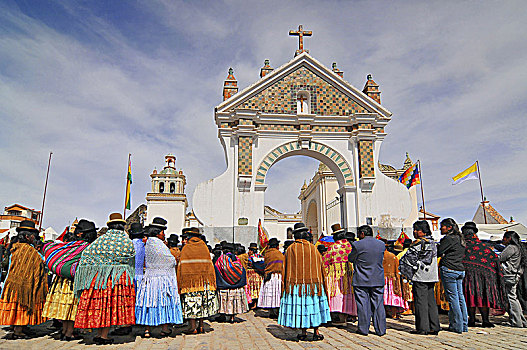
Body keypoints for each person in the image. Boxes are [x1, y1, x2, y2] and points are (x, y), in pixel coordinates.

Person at [73, 213, 136, 345]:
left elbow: (86, 255)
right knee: (110, 306)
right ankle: (104, 335)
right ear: (123, 227)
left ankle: (99, 334)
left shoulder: (100, 241)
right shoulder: (126, 242)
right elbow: (131, 258)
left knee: (101, 306)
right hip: (118, 279)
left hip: (99, 279)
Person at [42, 219, 97, 340]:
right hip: (74, 282)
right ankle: (69, 333)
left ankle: (64, 330)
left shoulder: (71, 245)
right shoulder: (86, 247)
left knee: (65, 308)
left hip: (61, 281)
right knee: (72, 308)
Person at [278, 223, 330, 341]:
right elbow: (320, 266)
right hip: (313, 285)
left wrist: (285, 285)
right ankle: (316, 331)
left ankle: (303, 332)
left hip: (296, 286)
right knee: (314, 307)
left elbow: (285, 268)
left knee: (301, 307)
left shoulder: (290, 249)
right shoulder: (313, 248)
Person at [135, 217, 183, 337]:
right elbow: (169, 260)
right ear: (157, 233)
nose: (164, 234)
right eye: (162, 232)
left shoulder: (149, 243)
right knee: (163, 302)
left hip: (149, 278)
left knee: (149, 302)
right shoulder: (158, 244)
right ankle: (164, 329)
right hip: (161, 279)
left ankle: (147, 330)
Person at [0, 220, 48, 339]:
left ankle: (16, 327)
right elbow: (41, 262)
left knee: (15, 307)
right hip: (23, 285)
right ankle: (18, 331)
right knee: (21, 306)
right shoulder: (30, 251)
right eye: (33, 236)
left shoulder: (15, 248)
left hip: (11, 283)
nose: (34, 238)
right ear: (27, 236)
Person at [461, 222, 503, 327]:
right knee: (483, 296)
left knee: (470, 296)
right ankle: (485, 320)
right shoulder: (484, 246)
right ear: (475, 234)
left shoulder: (462, 246)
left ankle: (472, 320)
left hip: (467, 276)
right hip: (484, 277)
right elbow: (494, 260)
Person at [177, 227, 218, 334]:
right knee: (202, 304)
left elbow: (182, 267)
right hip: (204, 283)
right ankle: (201, 325)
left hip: (190, 284)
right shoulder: (204, 247)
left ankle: (193, 327)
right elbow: (209, 265)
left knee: (192, 304)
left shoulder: (186, 248)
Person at [348, 225, 386, 336]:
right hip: (377, 278)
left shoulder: (357, 245)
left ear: (362, 234)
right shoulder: (381, 244)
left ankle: (363, 329)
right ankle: (380, 329)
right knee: (378, 304)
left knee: (363, 305)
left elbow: (350, 258)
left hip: (361, 279)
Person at [438, 218, 468, 333]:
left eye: (443, 226)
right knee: (460, 298)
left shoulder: (449, 239)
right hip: (460, 269)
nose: (441, 229)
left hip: (449, 269)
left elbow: (439, 251)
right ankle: (463, 325)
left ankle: (457, 325)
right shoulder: (460, 238)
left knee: (453, 299)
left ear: (449, 227)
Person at [323, 224, 357, 325]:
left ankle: (338, 318)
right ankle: (346, 317)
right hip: (349, 274)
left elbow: (324, 263)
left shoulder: (332, 248)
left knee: (337, 294)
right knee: (347, 294)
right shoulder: (350, 246)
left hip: (336, 277)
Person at [214, 242, 248, 323]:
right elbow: (242, 270)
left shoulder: (221, 259)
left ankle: (222, 316)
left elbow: (217, 269)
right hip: (236, 285)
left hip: (224, 285)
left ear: (223, 250)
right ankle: (232, 317)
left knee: (223, 300)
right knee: (234, 301)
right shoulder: (237, 259)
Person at [499, 230, 527, 327]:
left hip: (509, 275)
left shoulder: (511, 248)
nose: (503, 240)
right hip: (515, 275)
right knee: (514, 298)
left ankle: (516, 321)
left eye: (504, 238)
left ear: (509, 238)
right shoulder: (520, 248)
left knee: (510, 298)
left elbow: (500, 258)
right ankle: (521, 320)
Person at [257, 238, 283, 318]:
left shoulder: (267, 254)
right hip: (277, 276)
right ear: (277, 246)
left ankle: (271, 312)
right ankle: (277, 311)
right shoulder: (279, 254)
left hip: (269, 276)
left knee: (271, 294)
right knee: (277, 294)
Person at [383, 249, 407, 318]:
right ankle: (394, 314)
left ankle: (385, 313)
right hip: (393, 279)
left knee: (384, 296)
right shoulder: (393, 256)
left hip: (383, 279)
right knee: (393, 295)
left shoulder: (380, 256)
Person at [246, 243, 263, 307]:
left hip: (253, 274)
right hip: (254, 274)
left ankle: (255, 304)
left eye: (250, 250)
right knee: (254, 289)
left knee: (253, 288)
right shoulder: (259, 256)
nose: (249, 252)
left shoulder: (253, 257)